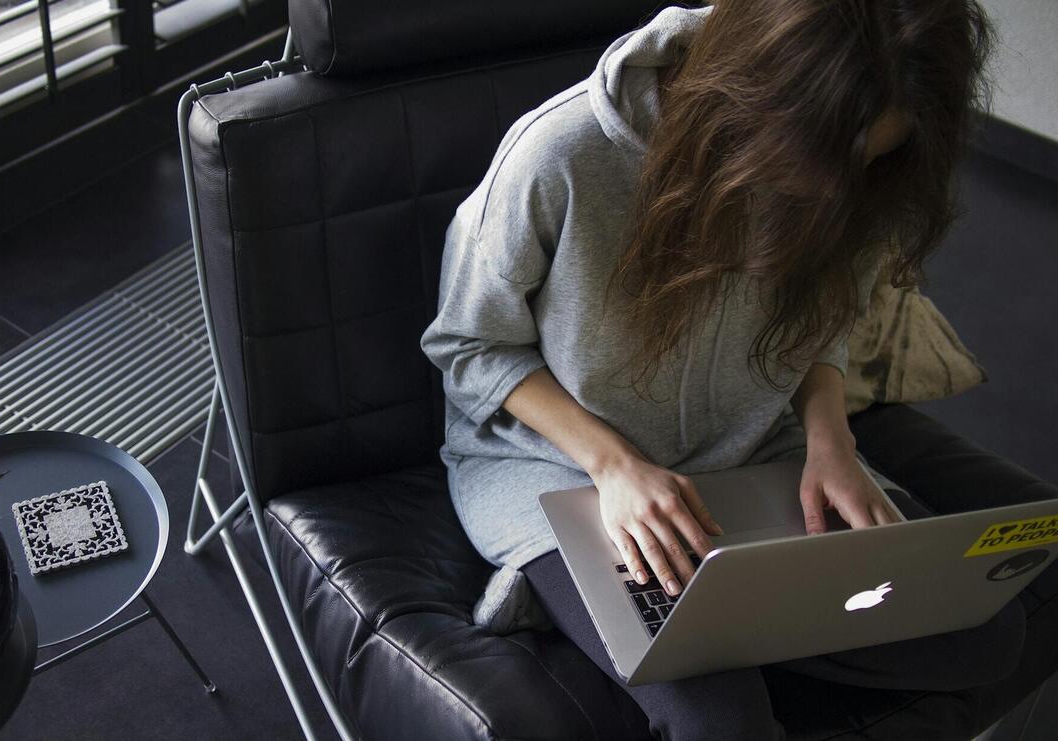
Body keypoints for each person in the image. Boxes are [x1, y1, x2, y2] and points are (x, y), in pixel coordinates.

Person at [420, 1, 1021, 738]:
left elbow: (821, 319)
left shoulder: (867, 164)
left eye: (867, 164)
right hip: (561, 467)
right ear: (756, 96)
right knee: (721, 723)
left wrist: (831, 439)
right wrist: (615, 468)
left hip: (755, 451)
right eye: (821, 165)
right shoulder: (561, 154)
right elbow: (468, 346)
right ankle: (589, 594)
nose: (837, 194)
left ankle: (710, 625)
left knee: (987, 632)